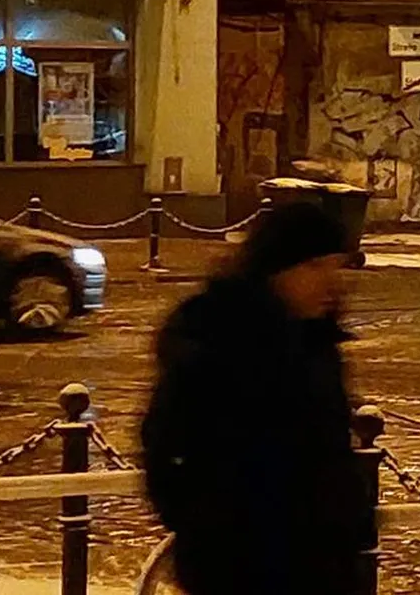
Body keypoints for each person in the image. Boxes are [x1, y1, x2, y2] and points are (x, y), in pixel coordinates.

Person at [142, 204, 372, 595]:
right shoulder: (217, 336)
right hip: (238, 568)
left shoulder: (316, 342)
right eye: (314, 266)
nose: (332, 281)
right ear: (276, 269)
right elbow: (165, 445)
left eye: (338, 265)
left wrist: (349, 517)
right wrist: (207, 528)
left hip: (318, 568)